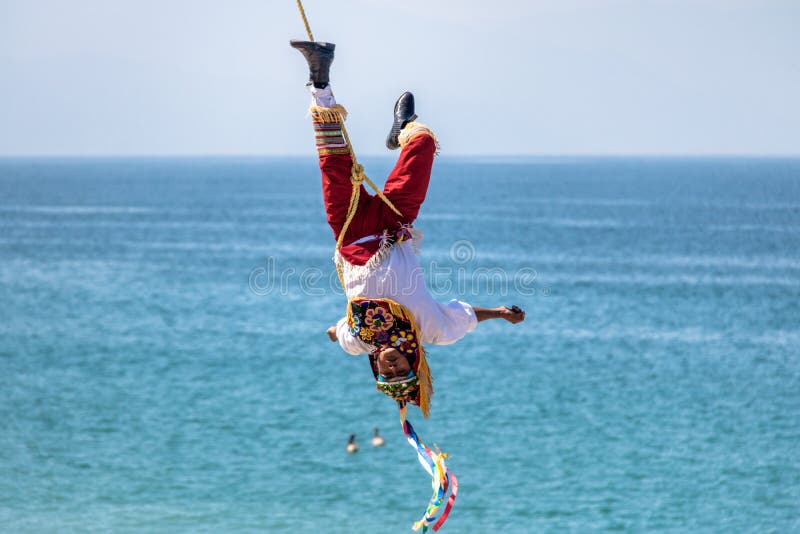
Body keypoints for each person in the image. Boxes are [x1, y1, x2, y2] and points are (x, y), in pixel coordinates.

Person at [291, 40, 525, 417]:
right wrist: (499, 313)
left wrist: (334, 333)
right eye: (402, 369)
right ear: (413, 363)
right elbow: (465, 314)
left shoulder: (359, 342)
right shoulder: (432, 330)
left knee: (333, 164)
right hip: (394, 224)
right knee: (425, 143)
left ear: (376, 370)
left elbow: (338, 333)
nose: (392, 364)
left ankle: (320, 77)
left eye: (387, 371)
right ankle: (403, 128)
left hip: (349, 233)